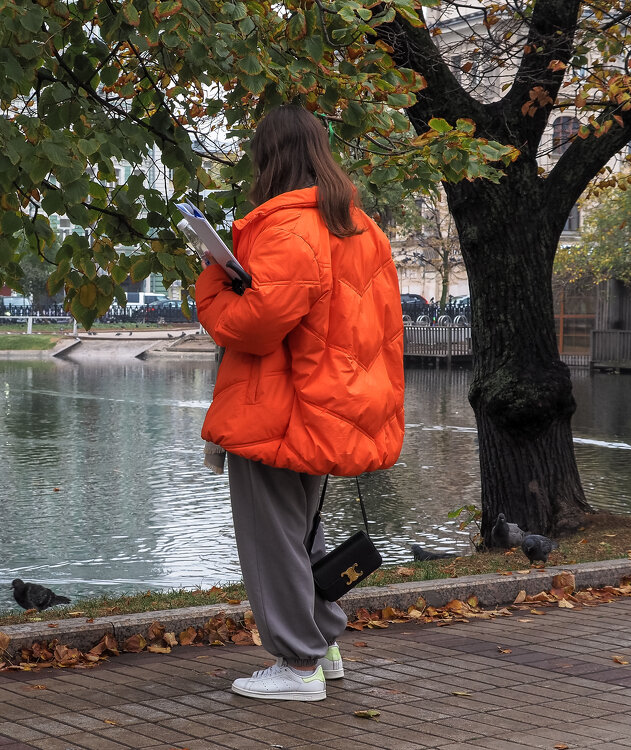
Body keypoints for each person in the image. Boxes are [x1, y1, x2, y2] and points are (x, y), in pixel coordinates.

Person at [195, 105, 405, 702]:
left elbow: (253, 326)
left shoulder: (288, 229)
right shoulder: (363, 229)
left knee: (272, 539)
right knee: (301, 533)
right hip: (331, 403)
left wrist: (212, 279)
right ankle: (324, 645)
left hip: (278, 406)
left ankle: (298, 664)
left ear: (271, 158)